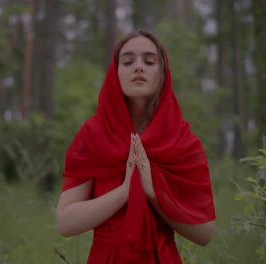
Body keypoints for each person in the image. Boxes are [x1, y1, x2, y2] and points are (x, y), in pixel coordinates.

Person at [56, 29, 216, 263]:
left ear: (162, 74)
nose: (138, 67)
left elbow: (205, 233)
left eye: (149, 61)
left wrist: (152, 192)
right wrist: (124, 191)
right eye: (128, 61)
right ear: (115, 73)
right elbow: (66, 223)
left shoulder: (184, 142)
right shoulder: (93, 135)